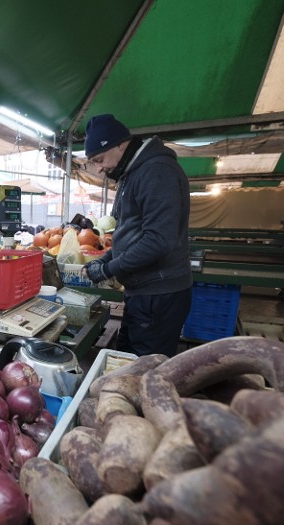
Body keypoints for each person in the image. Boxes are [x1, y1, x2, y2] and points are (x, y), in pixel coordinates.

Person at [81, 114, 192, 357]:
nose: (99, 168)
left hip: (158, 295)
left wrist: (109, 269)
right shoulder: (133, 173)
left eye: (100, 159)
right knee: (128, 359)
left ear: (120, 143)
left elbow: (158, 240)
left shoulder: (156, 172)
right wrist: (107, 258)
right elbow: (131, 234)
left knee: (145, 369)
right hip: (142, 291)